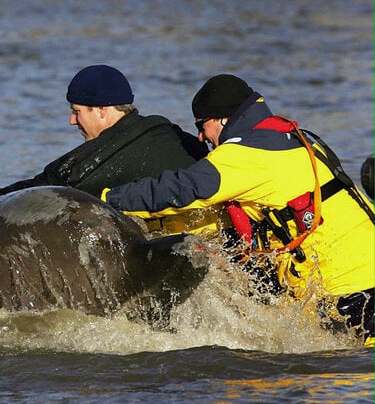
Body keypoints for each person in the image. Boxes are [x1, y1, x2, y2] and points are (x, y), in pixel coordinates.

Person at [103, 74, 375, 342]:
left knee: (342, 377)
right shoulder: (291, 137)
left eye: (201, 125)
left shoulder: (246, 155)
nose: (200, 136)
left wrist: (108, 200)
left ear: (222, 119)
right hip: (361, 274)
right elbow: (216, 217)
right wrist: (152, 228)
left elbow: (181, 190)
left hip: (352, 289)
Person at [0, 65, 207, 240]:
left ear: (102, 111)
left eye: (77, 112)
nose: (71, 120)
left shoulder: (95, 161)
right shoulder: (174, 135)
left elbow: (36, 189)